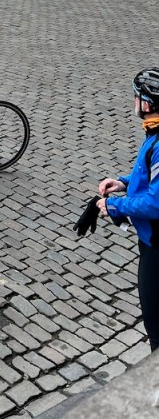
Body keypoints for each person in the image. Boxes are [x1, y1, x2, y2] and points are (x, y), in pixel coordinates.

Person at [97, 69, 159, 352]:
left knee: (156, 325)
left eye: (135, 97)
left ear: (146, 103)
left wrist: (114, 205)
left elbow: (156, 203)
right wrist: (124, 183)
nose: (133, 102)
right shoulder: (154, 133)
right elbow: (150, 178)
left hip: (156, 245)